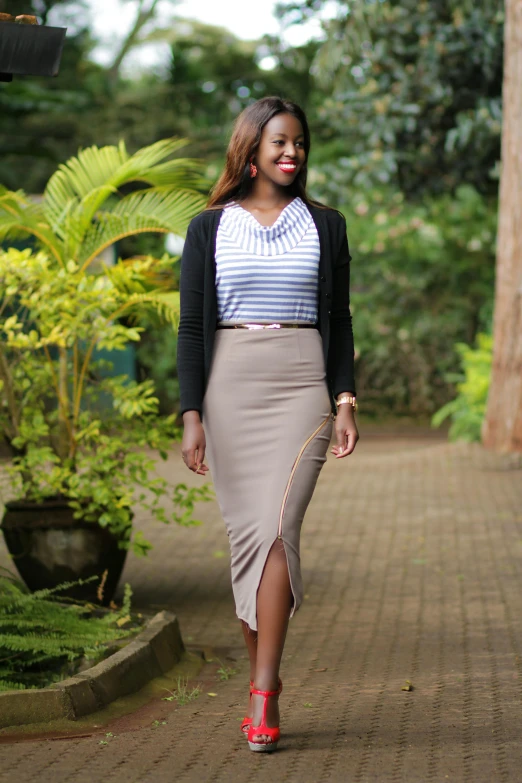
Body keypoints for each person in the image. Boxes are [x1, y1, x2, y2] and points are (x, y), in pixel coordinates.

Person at [178, 96, 359, 752]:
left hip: (299, 380)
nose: (292, 153)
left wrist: (344, 399)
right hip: (230, 381)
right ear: (250, 148)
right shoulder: (209, 229)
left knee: (280, 527)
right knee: (248, 541)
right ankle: (267, 676)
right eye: (280, 142)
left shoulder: (326, 225)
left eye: (300, 143)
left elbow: (339, 322)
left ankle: (263, 689)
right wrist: (191, 413)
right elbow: (190, 327)